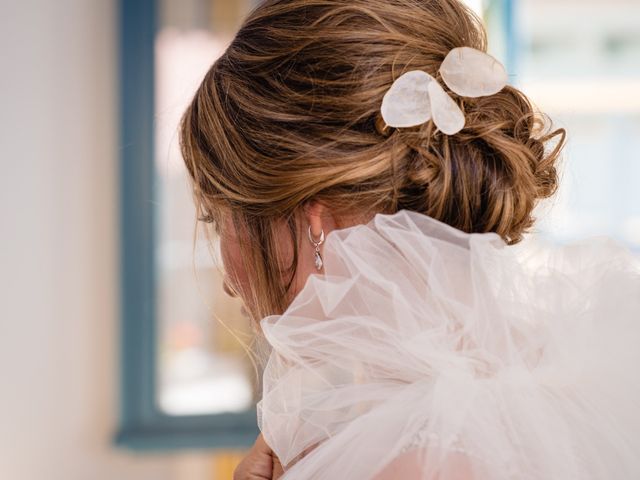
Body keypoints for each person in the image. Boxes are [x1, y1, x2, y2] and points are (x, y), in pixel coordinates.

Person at [178, 0, 640, 478]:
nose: (230, 282)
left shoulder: (408, 458)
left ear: (311, 218)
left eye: (218, 221)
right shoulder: (577, 382)